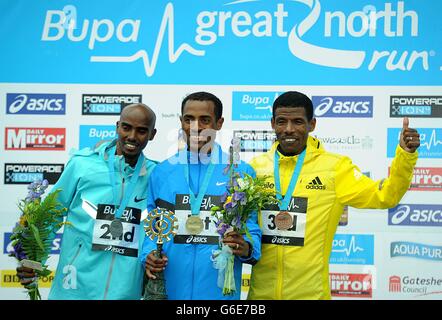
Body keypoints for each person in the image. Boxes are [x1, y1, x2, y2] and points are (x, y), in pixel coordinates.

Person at [247, 91, 420, 300]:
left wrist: (405, 155)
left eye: (298, 122)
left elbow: (384, 196)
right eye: (282, 121)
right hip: (259, 297)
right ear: (273, 123)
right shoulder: (254, 168)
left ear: (312, 125)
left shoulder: (335, 168)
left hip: (311, 296)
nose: (289, 129)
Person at [16, 103, 157, 299]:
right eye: (126, 127)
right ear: (117, 126)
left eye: (142, 131)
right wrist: (31, 261)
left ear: (152, 134)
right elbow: (49, 218)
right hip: (74, 287)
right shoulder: (82, 164)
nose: (132, 136)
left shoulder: (155, 175)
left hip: (125, 291)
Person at [140, 91, 262, 300]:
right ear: (181, 122)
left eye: (205, 120)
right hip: (171, 289)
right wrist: (148, 256)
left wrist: (248, 247)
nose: (195, 127)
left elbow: (250, 227)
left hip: (217, 293)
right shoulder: (162, 171)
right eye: (189, 119)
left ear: (219, 123)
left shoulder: (240, 171)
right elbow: (153, 226)